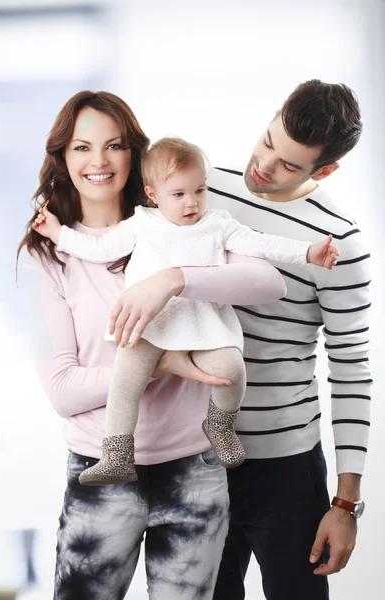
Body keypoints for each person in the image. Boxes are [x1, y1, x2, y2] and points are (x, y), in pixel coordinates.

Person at [17, 91, 287, 599]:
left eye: (114, 145)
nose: (98, 161)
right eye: (82, 147)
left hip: (195, 472)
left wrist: (173, 279)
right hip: (100, 474)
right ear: (63, 157)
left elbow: (270, 284)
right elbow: (62, 391)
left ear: (134, 156)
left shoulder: (181, 222)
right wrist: (166, 363)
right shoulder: (48, 256)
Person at [32, 136, 339, 486]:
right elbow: (98, 248)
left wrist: (309, 252)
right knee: (124, 381)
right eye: (178, 194)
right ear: (152, 194)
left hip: (202, 324)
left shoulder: (218, 224)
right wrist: (57, 233)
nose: (192, 202)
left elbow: (262, 244)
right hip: (149, 326)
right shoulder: (140, 223)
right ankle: (117, 454)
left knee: (231, 369)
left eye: (199, 190)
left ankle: (219, 423)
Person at [205, 80, 371, 600]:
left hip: (286, 468)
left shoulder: (340, 243)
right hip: (193, 456)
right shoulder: (202, 189)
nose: (265, 167)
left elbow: (351, 373)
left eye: (289, 165)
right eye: (268, 141)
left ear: (325, 171)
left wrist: (345, 504)